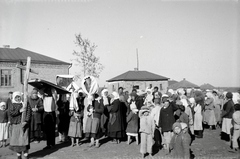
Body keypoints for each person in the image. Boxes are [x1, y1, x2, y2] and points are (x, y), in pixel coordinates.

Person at [9, 91, 32, 159]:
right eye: (16, 97)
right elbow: (11, 113)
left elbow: (29, 113)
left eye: (19, 97)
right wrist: (19, 111)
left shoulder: (25, 104)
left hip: (24, 125)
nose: (18, 98)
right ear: (14, 98)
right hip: (16, 125)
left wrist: (26, 121)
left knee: (25, 141)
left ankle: (26, 156)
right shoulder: (12, 104)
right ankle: (19, 156)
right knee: (17, 142)